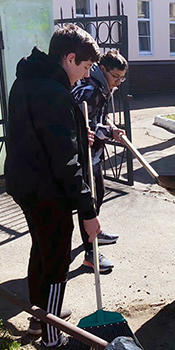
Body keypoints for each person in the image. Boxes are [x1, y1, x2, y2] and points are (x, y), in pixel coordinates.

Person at [5, 24, 101, 350]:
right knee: (57, 258)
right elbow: (65, 159)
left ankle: (38, 318)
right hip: (48, 189)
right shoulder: (55, 92)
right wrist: (88, 211)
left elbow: (40, 134)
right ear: (70, 58)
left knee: (41, 249)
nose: (85, 75)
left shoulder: (25, 81)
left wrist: (77, 131)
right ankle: (50, 339)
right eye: (86, 67)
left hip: (25, 184)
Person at [72, 50, 128, 273]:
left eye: (122, 78)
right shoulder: (88, 90)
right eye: (116, 77)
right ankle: (90, 253)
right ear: (102, 69)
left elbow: (100, 118)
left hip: (94, 154)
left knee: (100, 194)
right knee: (88, 202)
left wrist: (111, 128)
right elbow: (81, 125)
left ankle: (96, 233)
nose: (118, 82)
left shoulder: (104, 88)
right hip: (82, 155)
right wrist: (108, 132)